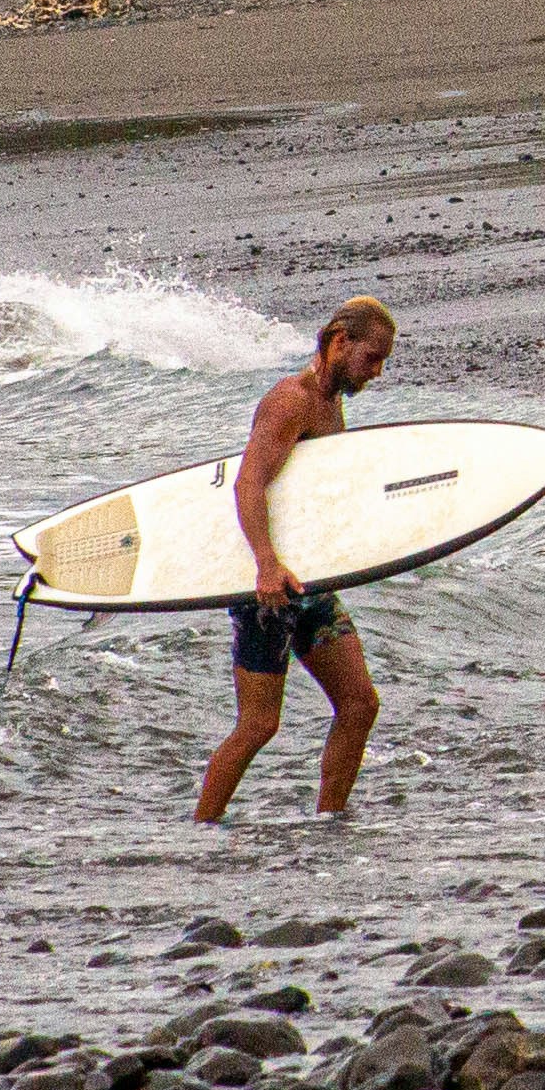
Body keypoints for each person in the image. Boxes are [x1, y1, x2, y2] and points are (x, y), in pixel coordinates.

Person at [195, 298, 396, 824]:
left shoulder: (331, 404)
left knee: (359, 704)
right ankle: (201, 829)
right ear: (339, 341)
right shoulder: (291, 400)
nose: (376, 372)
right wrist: (264, 564)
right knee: (259, 725)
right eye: (372, 358)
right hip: (266, 590)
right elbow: (248, 483)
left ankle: (331, 821)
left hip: (306, 583)